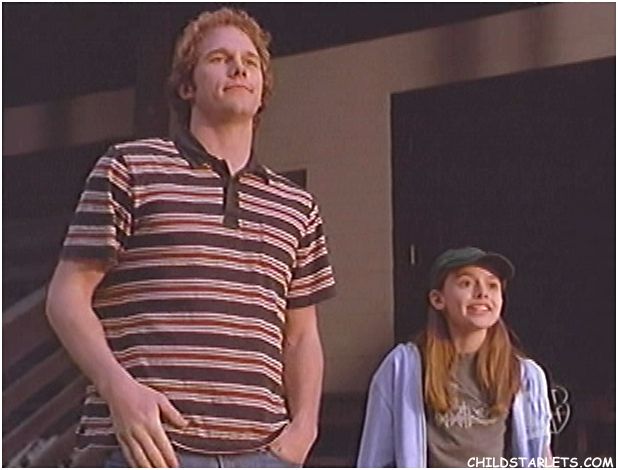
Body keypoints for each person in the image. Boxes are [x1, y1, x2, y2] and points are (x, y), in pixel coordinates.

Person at [46, 7, 336, 468]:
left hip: (263, 455)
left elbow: (301, 336)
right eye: (219, 58)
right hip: (149, 448)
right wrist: (118, 389)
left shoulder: (296, 205)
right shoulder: (130, 168)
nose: (238, 68)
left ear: (262, 89)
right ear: (187, 86)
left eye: (250, 61)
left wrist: (304, 429)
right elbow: (66, 297)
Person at [357, 247, 552, 467]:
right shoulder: (403, 368)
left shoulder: (523, 373)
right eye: (466, 283)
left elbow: (539, 453)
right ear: (437, 299)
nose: (482, 293)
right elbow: (375, 456)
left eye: (492, 285)